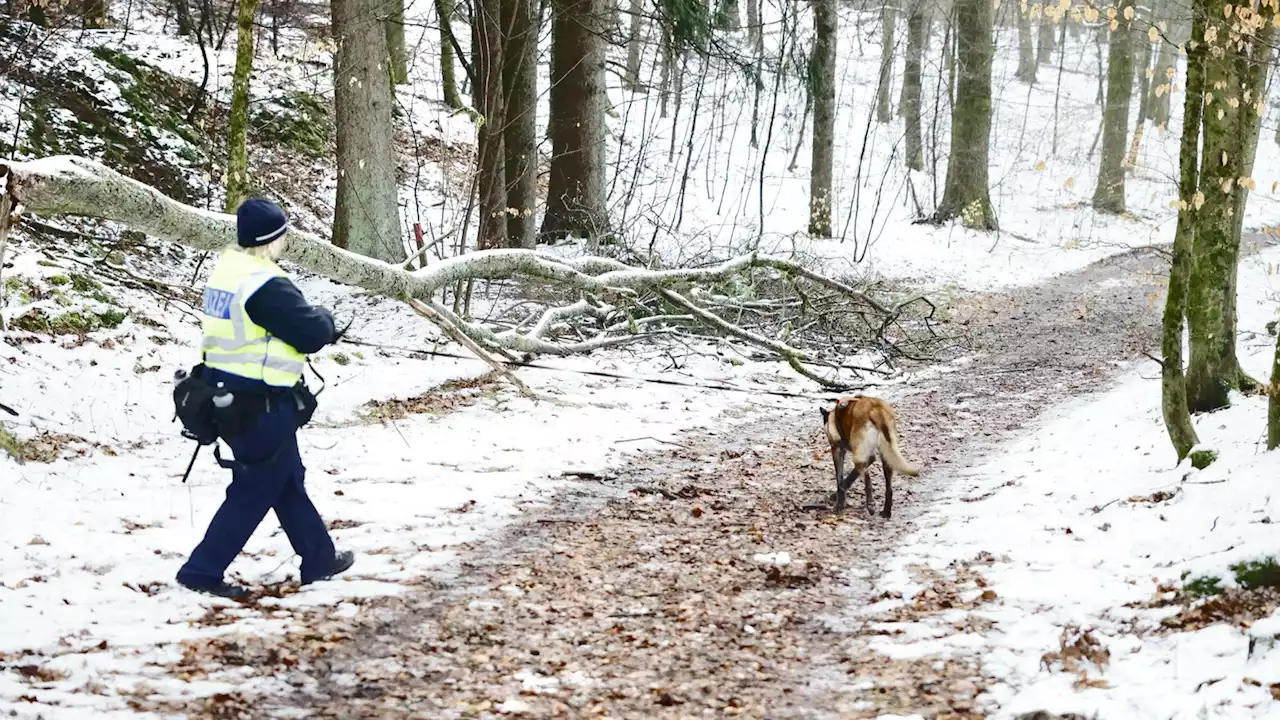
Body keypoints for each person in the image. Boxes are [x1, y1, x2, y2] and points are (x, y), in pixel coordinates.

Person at [176, 197, 353, 599]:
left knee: (286, 479)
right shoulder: (264, 282)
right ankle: (201, 571)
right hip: (258, 402)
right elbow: (309, 332)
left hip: (227, 394)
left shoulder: (229, 270)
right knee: (254, 488)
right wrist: (325, 319)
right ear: (273, 239)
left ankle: (319, 559)